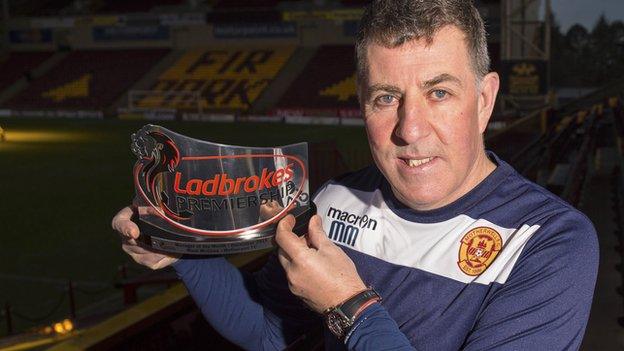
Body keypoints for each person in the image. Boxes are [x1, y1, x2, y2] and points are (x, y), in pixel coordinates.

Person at [112, 0, 599, 349]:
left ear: (484, 100)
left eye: (439, 93)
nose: (409, 129)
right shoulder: (334, 199)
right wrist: (183, 249)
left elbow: (346, 311)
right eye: (386, 98)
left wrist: (348, 306)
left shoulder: (550, 241)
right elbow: (265, 332)